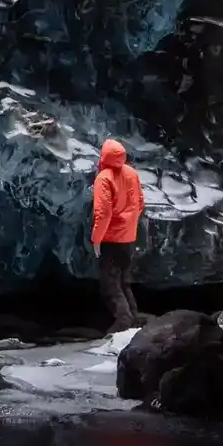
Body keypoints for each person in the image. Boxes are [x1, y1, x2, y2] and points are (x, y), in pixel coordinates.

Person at [92, 138, 144, 331]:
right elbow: (139, 202)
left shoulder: (103, 178)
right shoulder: (131, 173)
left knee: (110, 285)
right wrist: (129, 225)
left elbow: (103, 213)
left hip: (110, 238)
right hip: (128, 236)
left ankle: (123, 321)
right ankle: (134, 319)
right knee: (124, 281)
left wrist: (97, 240)